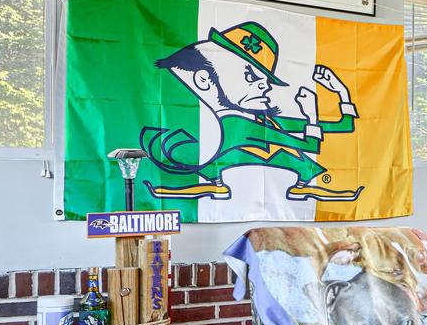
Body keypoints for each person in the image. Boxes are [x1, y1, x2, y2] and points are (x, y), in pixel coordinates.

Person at [140, 21, 364, 203]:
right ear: (204, 79)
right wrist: (311, 116)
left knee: (289, 154)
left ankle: (299, 185)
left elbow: (343, 126)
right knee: (291, 154)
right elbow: (311, 145)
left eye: (266, 80)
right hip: (221, 162)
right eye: (251, 76)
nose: (265, 86)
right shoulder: (236, 123)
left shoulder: (262, 119)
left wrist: (342, 93)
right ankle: (214, 183)